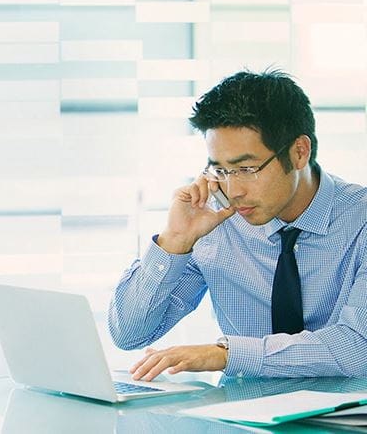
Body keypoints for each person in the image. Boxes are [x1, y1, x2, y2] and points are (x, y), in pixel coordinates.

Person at [108, 70, 367, 379]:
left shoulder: (360, 219)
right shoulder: (215, 220)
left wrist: (225, 355)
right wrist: (174, 242)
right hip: (243, 417)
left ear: (299, 152)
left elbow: (357, 348)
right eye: (221, 170)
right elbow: (129, 335)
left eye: (246, 168)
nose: (234, 190)